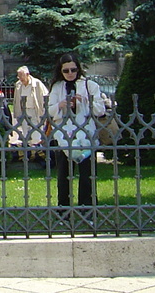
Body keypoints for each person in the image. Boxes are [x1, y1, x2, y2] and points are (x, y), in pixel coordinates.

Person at [47, 52, 105, 221]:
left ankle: (87, 209)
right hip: (63, 135)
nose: (70, 73)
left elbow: (100, 110)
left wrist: (85, 101)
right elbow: (49, 110)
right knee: (63, 174)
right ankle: (63, 209)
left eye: (73, 70)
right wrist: (61, 104)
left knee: (87, 174)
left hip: (85, 135)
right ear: (61, 71)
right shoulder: (57, 87)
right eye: (66, 71)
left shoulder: (90, 86)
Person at [12, 66, 48, 159]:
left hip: (34, 110)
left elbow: (45, 96)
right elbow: (16, 99)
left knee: (36, 131)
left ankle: (37, 152)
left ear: (27, 74)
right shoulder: (18, 84)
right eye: (18, 76)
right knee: (25, 131)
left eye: (21, 75)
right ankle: (28, 152)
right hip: (24, 111)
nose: (20, 78)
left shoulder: (37, 83)